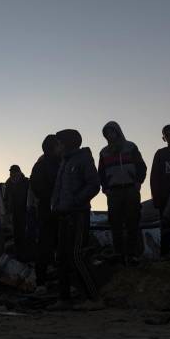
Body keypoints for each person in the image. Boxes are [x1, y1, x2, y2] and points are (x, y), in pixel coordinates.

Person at [49, 129, 102, 311]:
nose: (58, 146)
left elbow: (94, 185)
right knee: (62, 257)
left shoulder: (83, 159)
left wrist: (76, 201)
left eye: (60, 142)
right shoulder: (64, 162)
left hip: (78, 215)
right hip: (63, 215)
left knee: (77, 255)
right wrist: (54, 205)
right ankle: (64, 299)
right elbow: (59, 188)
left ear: (68, 143)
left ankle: (94, 298)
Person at [98, 121, 147, 263]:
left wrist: (138, 182)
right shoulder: (104, 152)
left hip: (131, 188)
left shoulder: (131, 147)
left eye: (111, 131)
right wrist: (105, 188)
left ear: (118, 132)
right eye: (106, 133)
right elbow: (101, 172)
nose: (109, 135)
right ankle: (118, 253)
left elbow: (141, 166)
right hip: (113, 191)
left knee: (133, 220)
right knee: (115, 223)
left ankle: (133, 254)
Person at [29, 135, 61, 294]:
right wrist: (52, 196)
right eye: (57, 145)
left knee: (60, 246)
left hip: (61, 210)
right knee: (44, 246)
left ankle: (60, 280)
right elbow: (36, 187)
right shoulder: (41, 166)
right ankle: (41, 282)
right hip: (47, 211)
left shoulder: (62, 162)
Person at [150, 125, 170, 259]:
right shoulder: (160, 154)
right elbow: (154, 177)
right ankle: (164, 253)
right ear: (164, 138)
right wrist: (156, 197)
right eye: (167, 134)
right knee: (165, 225)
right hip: (164, 197)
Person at [4, 165, 30, 260]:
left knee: (24, 233)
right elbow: (6, 198)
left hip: (24, 212)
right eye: (11, 172)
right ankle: (18, 254)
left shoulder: (26, 182)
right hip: (13, 212)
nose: (12, 174)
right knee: (16, 234)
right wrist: (7, 208)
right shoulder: (8, 183)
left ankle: (25, 254)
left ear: (19, 172)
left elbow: (30, 196)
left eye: (14, 172)